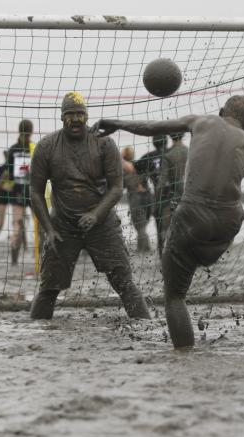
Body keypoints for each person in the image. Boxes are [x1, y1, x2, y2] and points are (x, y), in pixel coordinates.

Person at [92, 95, 244, 349]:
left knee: (174, 296)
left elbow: (151, 128)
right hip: (229, 222)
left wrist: (116, 123)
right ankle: (201, 258)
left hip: (194, 215)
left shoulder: (201, 121)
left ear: (219, 112)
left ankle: (184, 355)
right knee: (200, 255)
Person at [29, 92, 150, 320]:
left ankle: (145, 326)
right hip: (63, 226)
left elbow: (116, 188)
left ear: (86, 116)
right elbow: (34, 192)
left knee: (124, 282)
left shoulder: (104, 143)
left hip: (102, 224)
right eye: (69, 115)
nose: (75, 119)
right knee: (48, 288)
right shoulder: (47, 146)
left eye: (79, 114)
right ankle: (37, 331)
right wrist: (49, 230)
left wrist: (96, 215)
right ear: (62, 117)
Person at [154, 132, 189, 256]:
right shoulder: (191, 152)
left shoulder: (168, 155)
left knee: (167, 230)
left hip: (173, 197)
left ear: (170, 137)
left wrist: (156, 202)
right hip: (191, 197)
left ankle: (167, 258)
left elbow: (161, 182)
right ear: (183, 135)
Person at [6, 119, 34, 265]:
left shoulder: (13, 149)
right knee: (40, 224)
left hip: (18, 190)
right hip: (33, 190)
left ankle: (14, 261)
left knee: (16, 225)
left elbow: (9, 173)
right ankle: (40, 258)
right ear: (31, 131)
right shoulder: (34, 148)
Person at [135, 135, 168, 253]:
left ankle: (161, 252)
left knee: (160, 228)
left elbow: (135, 168)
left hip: (159, 196)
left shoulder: (148, 157)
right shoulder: (172, 153)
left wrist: (141, 185)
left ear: (154, 143)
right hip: (177, 195)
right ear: (166, 142)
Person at [122, 146, 152, 252]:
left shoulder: (124, 169)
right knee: (143, 224)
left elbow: (123, 185)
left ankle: (143, 248)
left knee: (139, 225)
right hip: (148, 196)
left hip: (136, 197)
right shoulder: (140, 165)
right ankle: (144, 247)